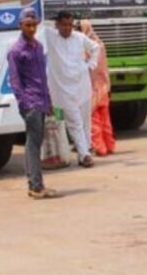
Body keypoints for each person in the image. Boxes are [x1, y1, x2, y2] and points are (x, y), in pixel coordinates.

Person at [6, 8, 59, 199]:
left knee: (33, 143)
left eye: (34, 25)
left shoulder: (38, 47)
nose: (31, 29)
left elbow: (42, 77)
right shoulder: (16, 51)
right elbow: (15, 81)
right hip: (31, 103)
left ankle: (34, 184)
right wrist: (25, 103)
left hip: (42, 100)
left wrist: (49, 100)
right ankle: (36, 186)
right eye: (27, 25)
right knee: (33, 144)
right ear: (20, 25)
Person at [45, 10, 100, 168]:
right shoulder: (50, 36)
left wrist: (91, 64)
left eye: (70, 25)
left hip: (82, 85)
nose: (67, 28)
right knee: (74, 122)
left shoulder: (79, 37)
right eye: (64, 25)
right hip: (62, 88)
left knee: (85, 121)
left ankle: (85, 151)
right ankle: (84, 154)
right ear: (57, 25)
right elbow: (38, 23)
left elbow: (96, 48)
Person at [80, 20, 115, 156]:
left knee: (93, 120)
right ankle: (110, 145)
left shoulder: (85, 47)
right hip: (104, 88)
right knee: (105, 119)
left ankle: (100, 148)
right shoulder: (100, 44)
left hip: (91, 89)